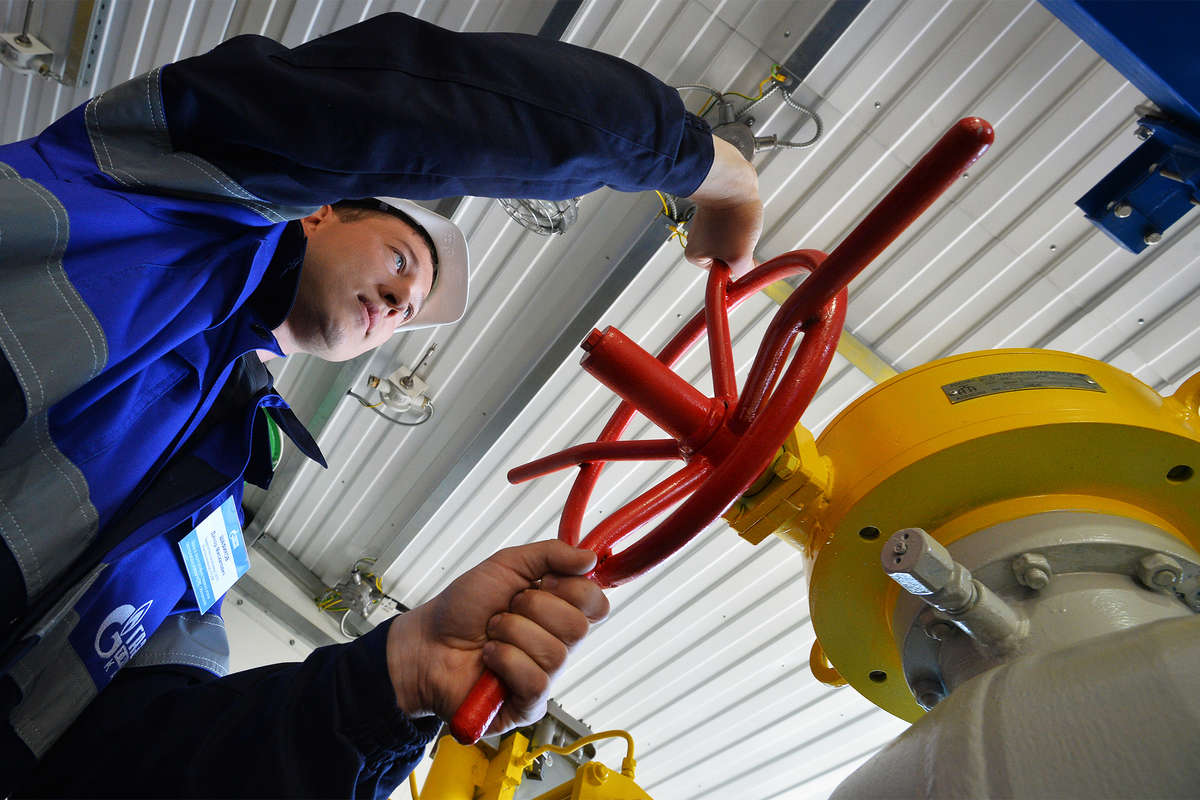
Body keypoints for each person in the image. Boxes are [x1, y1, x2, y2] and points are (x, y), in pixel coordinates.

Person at [0, 11, 762, 797]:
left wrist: (391, 680)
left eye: (410, 309)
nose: (400, 301)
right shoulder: (164, 190)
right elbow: (409, 106)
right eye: (399, 261)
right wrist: (709, 168)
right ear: (319, 210)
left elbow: (137, 770)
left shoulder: (207, 515)